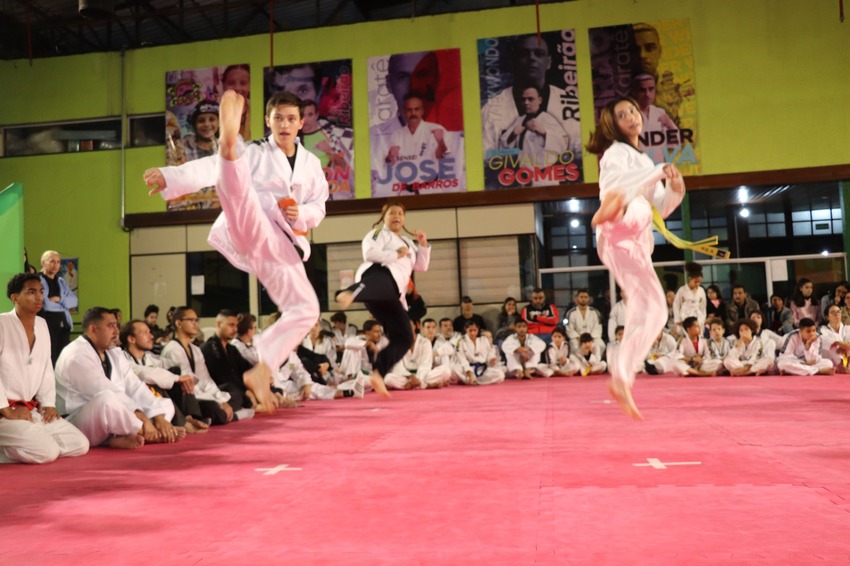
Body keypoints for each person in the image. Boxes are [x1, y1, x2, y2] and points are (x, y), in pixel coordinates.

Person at [144, 90, 329, 411]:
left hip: (282, 241)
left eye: (291, 119)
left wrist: (303, 213)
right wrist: (170, 176)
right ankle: (229, 147)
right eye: (278, 118)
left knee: (306, 310)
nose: (284, 124)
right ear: (268, 121)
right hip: (253, 218)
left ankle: (263, 368)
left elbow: (319, 207)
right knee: (237, 182)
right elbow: (207, 168)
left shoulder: (312, 165)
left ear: (302, 123)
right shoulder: (258, 150)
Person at [586, 96, 685, 418]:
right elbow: (617, 185)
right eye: (622, 114)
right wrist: (654, 174)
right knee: (629, 203)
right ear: (612, 124)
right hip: (618, 228)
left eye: (632, 111)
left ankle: (622, 377)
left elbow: (662, 208)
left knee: (653, 312)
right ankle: (612, 212)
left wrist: (675, 189)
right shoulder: (615, 153)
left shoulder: (643, 160)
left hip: (633, 243)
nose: (631, 116)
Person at [335, 202, 431, 398]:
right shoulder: (379, 233)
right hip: (379, 274)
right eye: (391, 213)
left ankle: (379, 373)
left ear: (404, 218)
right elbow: (368, 253)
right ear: (384, 217)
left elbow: (421, 266)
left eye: (400, 213)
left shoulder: (407, 241)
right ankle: (350, 293)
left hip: (393, 293)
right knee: (380, 281)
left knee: (405, 336)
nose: (396, 216)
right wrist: (394, 254)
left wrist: (422, 245)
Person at [55, 307, 185, 449]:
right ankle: (149, 432)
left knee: (164, 403)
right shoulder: (76, 354)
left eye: (117, 326)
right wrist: (144, 421)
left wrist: (159, 416)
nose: (117, 331)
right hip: (78, 421)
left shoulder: (114, 353)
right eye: (111, 326)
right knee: (106, 399)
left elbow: (135, 386)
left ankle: (127, 435)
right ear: (93, 329)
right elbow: (106, 391)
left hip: (115, 416)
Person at [0, 273, 89, 464]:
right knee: (47, 452)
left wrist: (48, 404)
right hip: (4, 413)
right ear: (15, 297)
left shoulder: (41, 325)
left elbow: (46, 367)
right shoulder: (2, 323)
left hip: (29, 410)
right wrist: (7, 411)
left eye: (41, 292)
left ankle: (28, 440)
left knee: (80, 444)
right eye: (31, 292)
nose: (39, 297)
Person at [481, 34, 580, 157]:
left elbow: (580, 151)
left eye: (539, 53)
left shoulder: (570, 103)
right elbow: (485, 156)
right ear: (513, 61)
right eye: (524, 54)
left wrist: (544, 132)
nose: (532, 58)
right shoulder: (492, 108)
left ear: (548, 62)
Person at [120, 320, 209, 434]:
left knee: (177, 371)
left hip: (159, 403)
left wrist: (186, 378)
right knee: (156, 382)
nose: (151, 336)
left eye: (150, 332)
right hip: (137, 403)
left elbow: (180, 366)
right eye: (145, 333)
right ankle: (183, 423)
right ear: (131, 339)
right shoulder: (122, 358)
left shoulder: (150, 357)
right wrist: (177, 378)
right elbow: (144, 373)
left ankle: (189, 417)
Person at [160, 307, 245, 425]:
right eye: (191, 320)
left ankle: (218, 416)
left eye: (197, 320)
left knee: (235, 394)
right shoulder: (173, 349)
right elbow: (190, 386)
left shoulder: (195, 349)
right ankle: (230, 415)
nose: (196, 324)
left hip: (200, 395)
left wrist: (221, 401)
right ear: (179, 323)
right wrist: (218, 402)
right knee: (213, 408)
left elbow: (206, 380)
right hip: (185, 399)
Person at [497, 85, 568, 181]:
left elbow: (564, 142)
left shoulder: (547, 119)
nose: (526, 103)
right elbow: (503, 142)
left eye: (531, 99)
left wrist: (544, 132)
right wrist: (513, 134)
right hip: (524, 174)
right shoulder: (520, 119)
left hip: (545, 175)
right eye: (523, 99)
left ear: (540, 100)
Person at [200, 310, 255, 414]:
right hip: (219, 390)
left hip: (236, 390)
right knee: (234, 391)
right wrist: (246, 391)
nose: (235, 329)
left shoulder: (231, 349)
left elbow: (247, 369)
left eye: (236, 326)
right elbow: (224, 377)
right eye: (231, 325)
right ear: (218, 324)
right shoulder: (210, 347)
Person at [37, 250, 78, 365]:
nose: (55, 265)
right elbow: (46, 304)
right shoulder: (38, 280)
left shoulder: (61, 282)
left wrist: (59, 300)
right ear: (43, 262)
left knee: (63, 360)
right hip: (48, 324)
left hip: (64, 325)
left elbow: (74, 301)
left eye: (58, 262)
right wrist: (64, 306)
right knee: (50, 359)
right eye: (52, 261)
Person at [631, 74, 678, 148]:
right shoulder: (629, 115)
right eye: (642, 90)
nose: (647, 94)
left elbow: (676, 143)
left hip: (659, 159)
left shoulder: (660, 112)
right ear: (634, 92)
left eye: (651, 89)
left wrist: (670, 124)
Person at [456, 319, 505, 385]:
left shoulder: (484, 339)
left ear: (478, 329)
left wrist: (491, 359)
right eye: (470, 330)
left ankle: (473, 381)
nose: (473, 333)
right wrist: (470, 374)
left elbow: (490, 352)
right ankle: (472, 379)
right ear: (465, 329)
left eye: (475, 330)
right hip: (468, 370)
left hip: (482, 368)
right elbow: (462, 360)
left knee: (500, 375)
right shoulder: (461, 341)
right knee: (455, 370)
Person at [564, 288, 606, 355]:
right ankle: (579, 363)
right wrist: (579, 338)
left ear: (589, 298)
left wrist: (590, 339)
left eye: (585, 297)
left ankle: (595, 362)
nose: (583, 299)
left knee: (601, 344)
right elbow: (569, 329)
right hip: (577, 338)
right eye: (581, 297)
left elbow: (598, 328)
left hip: (592, 338)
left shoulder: (595, 312)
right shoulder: (571, 313)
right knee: (574, 345)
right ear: (577, 298)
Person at [672, 262, 706, 336]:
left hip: (698, 318)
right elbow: (676, 305)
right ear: (690, 278)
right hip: (684, 317)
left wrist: (703, 319)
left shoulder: (701, 290)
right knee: (686, 337)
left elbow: (703, 307)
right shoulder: (682, 290)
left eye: (699, 282)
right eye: (695, 282)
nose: (697, 284)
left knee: (698, 337)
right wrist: (677, 320)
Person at [819, 304, 850, 373]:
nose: (836, 314)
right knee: (833, 339)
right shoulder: (822, 329)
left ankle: (848, 366)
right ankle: (841, 366)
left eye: (838, 312)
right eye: (833, 312)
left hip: (847, 358)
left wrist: (846, 345)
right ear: (827, 317)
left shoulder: (848, 328)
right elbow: (824, 341)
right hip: (830, 360)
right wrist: (838, 343)